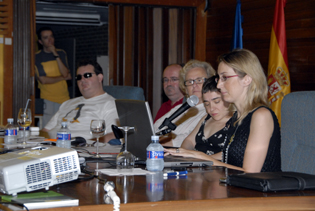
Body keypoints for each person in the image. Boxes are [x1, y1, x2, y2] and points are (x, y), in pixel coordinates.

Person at [166, 49, 281, 173]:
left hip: (258, 191)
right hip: (235, 187)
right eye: (218, 78)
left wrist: (202, 158)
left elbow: (250, 174)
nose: (219, 85)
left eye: (225, 77)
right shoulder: (237, 117)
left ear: (247, 79)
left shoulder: (261, 115)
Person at [43, 59, 119, 143]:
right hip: (50, 145)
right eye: (79, 77)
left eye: (87, 75)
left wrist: (86, 144)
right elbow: (45, 130)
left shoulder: (110, 104)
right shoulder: (68, 103)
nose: (82, 80)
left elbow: (112, 135)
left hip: (80, 148)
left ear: (100, 78)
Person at [164, 76, 234, 160]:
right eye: (207, 104)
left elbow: (231, 153)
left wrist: (201, 158)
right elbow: (189, 141)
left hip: (217, 168)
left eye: (216, 101)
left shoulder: (236, 121)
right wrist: (184, 154)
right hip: (196, 164)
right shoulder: (206, 118)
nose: (211, 108)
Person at [154, 60, 216, 147]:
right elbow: (154, 128)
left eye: (199, 80)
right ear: (186, 88)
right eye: (189, 82)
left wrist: (155, 143)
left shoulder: (212, 111)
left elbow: (189, 139)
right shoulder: (179, 108)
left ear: (210, 83)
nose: (194, 85)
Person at [35, 26, 71, 127]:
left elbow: (66, 73)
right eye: (46, 38)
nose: (50, 40)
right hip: (48, 99)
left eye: (51, 36)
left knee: (63, 128)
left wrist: (55, 54)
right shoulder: (37, 56)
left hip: (64, 98)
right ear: (40, 42)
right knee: (48, 128)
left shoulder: (61, 53)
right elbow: (43, 80)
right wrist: (63, 77)